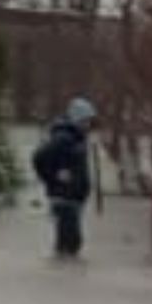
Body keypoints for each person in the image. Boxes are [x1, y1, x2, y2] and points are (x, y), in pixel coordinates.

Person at [31, 97, 98, 259]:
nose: (89, 125)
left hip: (74, 198)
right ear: (77, 119)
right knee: (71, 242)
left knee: (69, 243)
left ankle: (64, 271)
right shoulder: (63, 138)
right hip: (64, 198)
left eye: (90, 121)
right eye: (86, 120)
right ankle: (63, 273)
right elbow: (39, 157)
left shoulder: (77, 138)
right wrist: (53, 177)